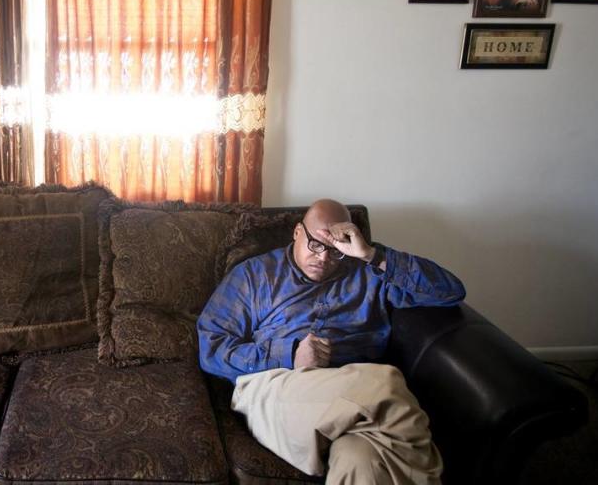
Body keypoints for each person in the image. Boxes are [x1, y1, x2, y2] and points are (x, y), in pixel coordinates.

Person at [197, 199, 466, 484]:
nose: (324, 257)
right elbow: (211, 347)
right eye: (316, 244)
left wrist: (372, 255)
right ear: (298, 232)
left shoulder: (369, 272)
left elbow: (449, 291)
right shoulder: (255, 275)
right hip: (275, 388)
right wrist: (289, 355)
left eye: (334, 250)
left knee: (360, 461)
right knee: (386, 385)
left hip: (355, 402)